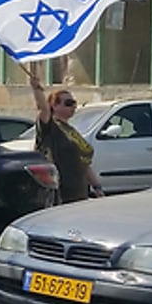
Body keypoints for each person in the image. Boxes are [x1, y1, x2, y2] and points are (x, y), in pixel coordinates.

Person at [29, 67, 103, 203]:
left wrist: (97, 187)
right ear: (54, 106)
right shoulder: (51, 126)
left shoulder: (71, 130)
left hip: (79, 193)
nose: (73, 107)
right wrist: (36, 89)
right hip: (60, 194)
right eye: (68, 103)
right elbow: (43, 108)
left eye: (74, 103)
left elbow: (84, 163)